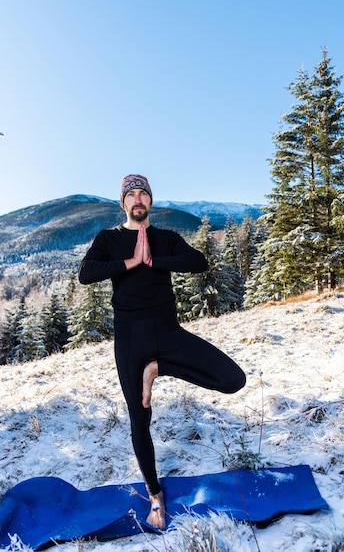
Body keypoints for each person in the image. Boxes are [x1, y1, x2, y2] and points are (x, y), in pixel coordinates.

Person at [78, 174, 246, 529]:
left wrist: (153, 260)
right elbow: (86, 273)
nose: (138, 199)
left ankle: (159, 366)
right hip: (131, 339)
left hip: (168, 332)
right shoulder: (108, 239)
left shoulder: (165, 238)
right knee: (140, 419)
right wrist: (130, 263)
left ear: (150, 201)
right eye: (131, 194)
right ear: (123, 202)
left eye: (143, 193)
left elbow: (198, 262)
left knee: (233, 379)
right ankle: (155, 493)